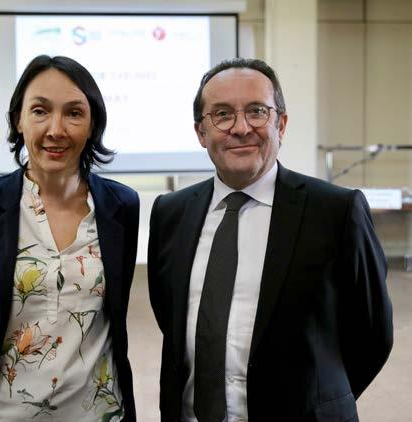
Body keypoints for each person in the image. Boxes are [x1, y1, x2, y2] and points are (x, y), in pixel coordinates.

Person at [147, 58, 393, 422]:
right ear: (201, 132)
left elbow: (373, 334)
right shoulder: (171, 213)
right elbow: (170, 317)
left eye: (257, 111)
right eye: (222, 114)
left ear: (281, 124)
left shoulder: (336, 211)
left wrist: (321, 401)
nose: (241, 128)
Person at [0, 55, 139, 422]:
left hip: (99, 410)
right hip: (5, 410)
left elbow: (115, 306)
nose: (56, 129)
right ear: (18, 119)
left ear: (92, 124)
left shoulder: (121, 205)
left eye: (74, 113)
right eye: (40, 111)